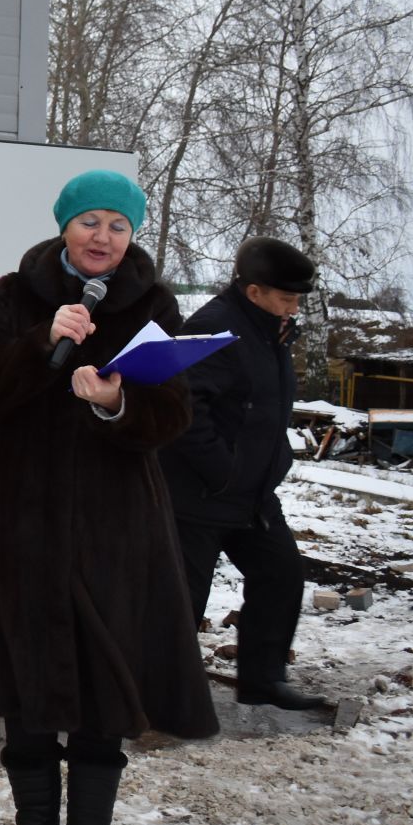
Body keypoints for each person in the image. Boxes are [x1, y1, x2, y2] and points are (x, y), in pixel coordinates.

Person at [0, 169, 219, 825]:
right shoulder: (17, 295)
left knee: (109, 666)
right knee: (27, 665)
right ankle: (34, 824)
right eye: (91, 221)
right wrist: (43, 342)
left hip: (116, 522)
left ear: (133, 236)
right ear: (65, 225)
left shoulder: (155, 304)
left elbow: (173, 418)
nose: (103, 237)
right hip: (20, 515)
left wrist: (114, 402)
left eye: (119, 226)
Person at [160, 236, 326, 712]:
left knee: (280, 574)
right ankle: (164, 694)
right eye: (286, 298)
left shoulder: (272, 330)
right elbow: (185, 409)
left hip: (252, 494)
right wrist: (223, 470)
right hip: (199, 492)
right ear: (254, 291)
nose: (294, 308)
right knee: (182, 599)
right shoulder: (214, 328)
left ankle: (263, 678)